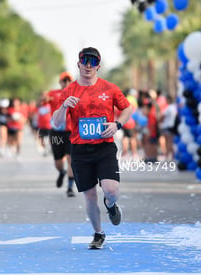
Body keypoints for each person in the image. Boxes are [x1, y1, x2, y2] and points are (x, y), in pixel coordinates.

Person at [52, 47, 133, 249]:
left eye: (93, 62)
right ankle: (98, 233)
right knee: (89, 195)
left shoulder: (110, 88)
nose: (88, 65)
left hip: (104, 147)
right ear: (78, 64)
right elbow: (55, 122)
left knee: (111, 190)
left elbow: (128, 108)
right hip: (79, 150)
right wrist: (63, 107)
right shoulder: (69, 91)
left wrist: (117, 124)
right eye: (84, 61)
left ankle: (111, 205)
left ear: (98, 65)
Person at [47, 72, 75, 197]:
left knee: (70, 159)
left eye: (69, 81)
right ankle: (61, 172)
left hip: (70, 132)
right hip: (56, 132)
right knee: (58, 161)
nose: (66, 83)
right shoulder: (52, 94)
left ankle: (70, 188)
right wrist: (42, 100)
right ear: (60, 82)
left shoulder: (76, 94)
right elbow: (40, 104)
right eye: (64, 81)